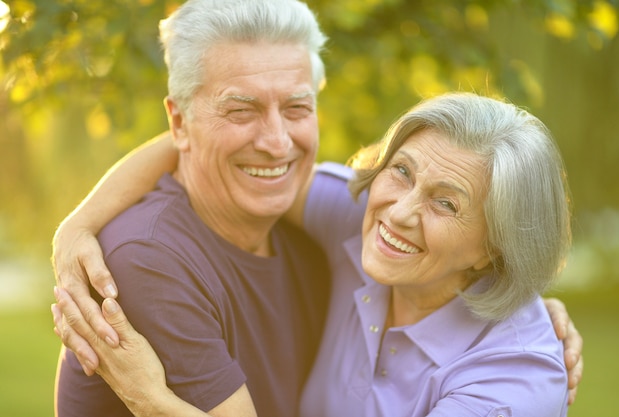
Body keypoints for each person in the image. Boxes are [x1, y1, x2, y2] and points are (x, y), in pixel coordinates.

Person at [54, 92, 577, 416]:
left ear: (493, 250)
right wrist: (76, 228)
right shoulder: (356, 215)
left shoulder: (511, 383)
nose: (399, 213)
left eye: (445, 203)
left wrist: (153, 402)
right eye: (402, 171)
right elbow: (209, 151)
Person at [53, 0, 331, 416]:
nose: (277, 143)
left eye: (296, 108)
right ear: (179, 123)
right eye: (241, 110)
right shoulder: (147, 259)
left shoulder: (316, 237)